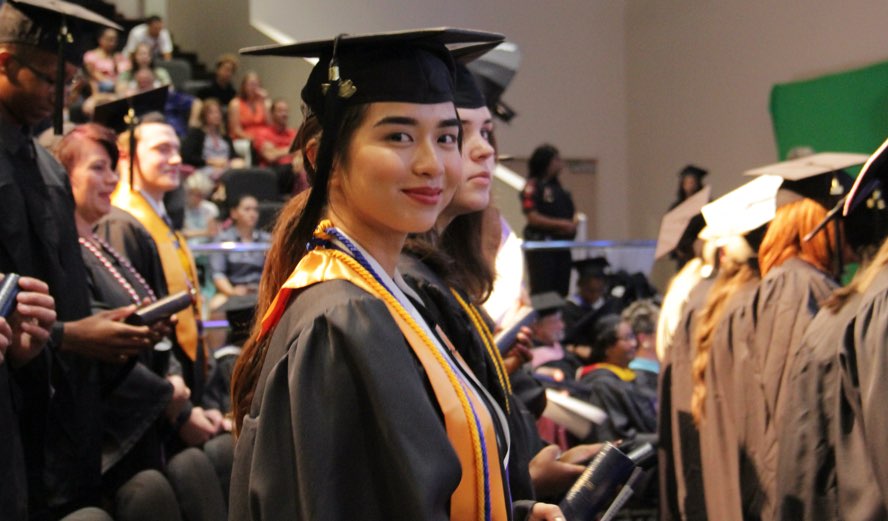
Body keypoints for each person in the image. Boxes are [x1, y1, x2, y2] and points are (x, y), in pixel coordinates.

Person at [229, 28, 564, 521]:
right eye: (399, 136)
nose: (433, 164)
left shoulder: (394, 295)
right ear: (323, 159)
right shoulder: (342, 320)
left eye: (446, 137)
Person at [0, 1, 152, 518]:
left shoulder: (46, 166)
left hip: (63, 401)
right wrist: (69, 334)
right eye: (47, 79)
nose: (59, 95)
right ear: (3, 62)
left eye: (69, 83)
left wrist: (90, 325)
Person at [521, 143, 577, 297]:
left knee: (561, 290)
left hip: (562, 247)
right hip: (542, 248)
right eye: (556, 160)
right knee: (543, 290)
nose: (560, 164)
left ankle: (558, 319)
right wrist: (561, 224)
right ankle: (545, 319)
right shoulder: (532, 186)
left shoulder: (559, 188)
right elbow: (532, 217)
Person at [208, 194, 268, 311]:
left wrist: (263, 289)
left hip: (261, 290)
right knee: (214, 306)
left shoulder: (267, 240)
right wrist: (232, 291)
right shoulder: (222, 239)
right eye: (247, 209)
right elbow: (218, 274)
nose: (252, 214)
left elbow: (273, 272)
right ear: (234, 213)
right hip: (232, 289)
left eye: (255, 210)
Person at [180, 98, 240, 178]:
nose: (216, 115)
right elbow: (187, 157)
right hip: (205, 169)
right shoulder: (196, 134)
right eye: (212, 113)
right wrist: (211, 162)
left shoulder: (225, 136)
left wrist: (236, 161)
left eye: (218, 112)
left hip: (226, 168)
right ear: (204, 115)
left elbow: (233, 156)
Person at [83, 28, 129, 94]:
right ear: (100, 39)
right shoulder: (90, 56)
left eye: (115, 40)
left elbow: (124, 73)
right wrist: (114, 84)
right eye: (110, 40)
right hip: (101, 86)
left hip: (119, 85)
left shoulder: (119, 57)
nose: (112, 43)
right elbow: (94, 74)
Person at [253, 98, 297, 167]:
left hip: (293, 170)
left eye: (286, 111)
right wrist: (291, 149)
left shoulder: (293, 133)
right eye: (280, 111)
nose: (284, 114)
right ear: (272, 113)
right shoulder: (262, 133)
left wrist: (276, 150)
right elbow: (270, 156)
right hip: (272, 171)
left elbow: (300, 152)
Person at [227, 71, 267, 143]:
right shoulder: (235, 104)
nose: (253, 88)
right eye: (251, 84)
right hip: (242, 139)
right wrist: (254, 139)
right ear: (244, 86)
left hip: (262, 139)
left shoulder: (263, 102)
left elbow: (271, 125)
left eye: (256, 85)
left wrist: (264, 101)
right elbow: (236, 130)